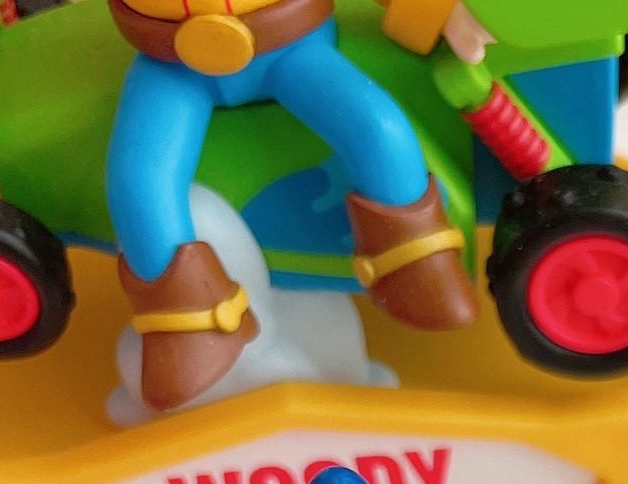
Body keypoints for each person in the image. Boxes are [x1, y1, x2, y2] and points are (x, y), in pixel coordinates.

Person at [103, 0, 476, 410]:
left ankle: (415, 261)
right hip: (171, 65)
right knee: (137, 180)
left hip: (292, 46)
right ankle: (186, 324)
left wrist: (437, 9)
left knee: (380, 129)